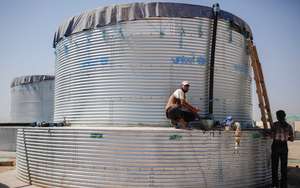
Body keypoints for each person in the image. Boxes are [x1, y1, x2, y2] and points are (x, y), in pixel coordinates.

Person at [271, 110, 294, 188]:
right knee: (283, 168)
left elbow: (271, 135)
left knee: (274, 167)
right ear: (284, 116)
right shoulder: (289, 126)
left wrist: (266, 133)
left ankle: (275, 185)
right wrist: (285, 137)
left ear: (277, 117)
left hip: (275, 146)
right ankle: (284, 185)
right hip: (284, 147)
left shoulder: (275, 125)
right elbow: (292, 139)